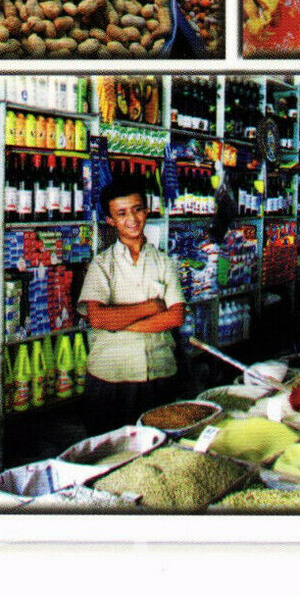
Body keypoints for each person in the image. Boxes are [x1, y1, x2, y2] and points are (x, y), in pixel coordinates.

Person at [78, 174, 185, 434]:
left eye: (137, 210)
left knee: (159, 450)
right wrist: (150, 307)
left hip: (158, 374)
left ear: (146, 211)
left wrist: (120, 323)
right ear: (110, 220)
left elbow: (175, 317)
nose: (132, 219)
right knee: (107, 455)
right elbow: (99, 319)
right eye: (122, 213)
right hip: (111, 377)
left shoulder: (164, 262)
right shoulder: (102, 265)